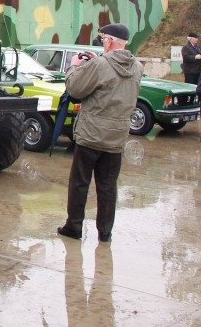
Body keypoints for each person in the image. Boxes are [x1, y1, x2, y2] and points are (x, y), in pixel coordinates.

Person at [57, 23, 141, 243]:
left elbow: (75, 88)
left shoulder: (101, 65)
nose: (102, 43)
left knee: (80, 182)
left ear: (110, 41)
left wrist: (75, 67)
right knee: (107, 186)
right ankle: (105, 232)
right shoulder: (137, 67)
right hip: (117, 137)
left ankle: (74, 226)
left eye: (103, 40)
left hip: (92, 135)